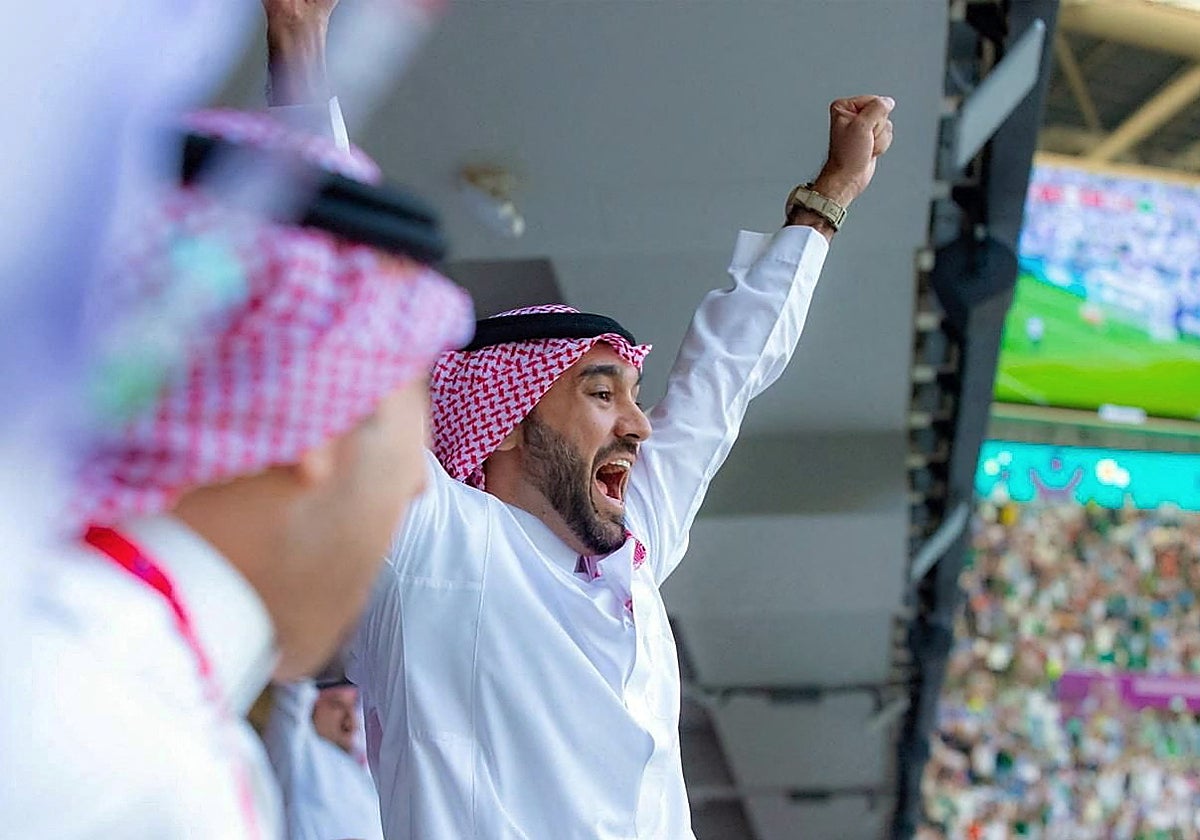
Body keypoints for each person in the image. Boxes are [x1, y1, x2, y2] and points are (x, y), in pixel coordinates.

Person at [348, 94, 895, 838]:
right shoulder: (434, 543)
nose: (639, 426)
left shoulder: (633, 547)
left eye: (633, 397)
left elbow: (722, 378)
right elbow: (339, 310)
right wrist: (302, 49)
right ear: (507, 420)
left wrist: (828, 199)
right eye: (602, 394)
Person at [16, 100, 473, 837]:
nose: (418, 482)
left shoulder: (131, 684)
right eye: (406, 398)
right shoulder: (90, 720)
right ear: (318, 421)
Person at [264, 680, 385, 840]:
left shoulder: (368, 768)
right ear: (313, 707)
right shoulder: (297, 753)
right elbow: (294, 688)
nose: (349, 719)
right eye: (337, 705)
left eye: (353, 706)